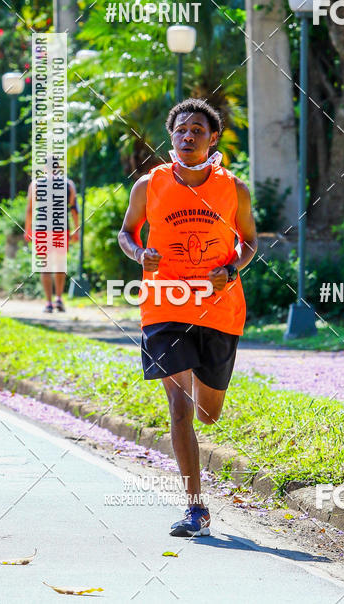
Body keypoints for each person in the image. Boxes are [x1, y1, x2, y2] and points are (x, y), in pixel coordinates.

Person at [118, 98, 257, 538]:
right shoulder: (149, 185)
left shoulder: (233, 188)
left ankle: (201, 385)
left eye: (197, 130)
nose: (188, 136)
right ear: (171, 137)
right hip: (163, 305)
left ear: (212, 139)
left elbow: (250, 242)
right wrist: (141, 253)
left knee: (208, 414)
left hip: (219, 308)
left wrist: (232, 268)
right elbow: (126, 233)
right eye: (181, 130)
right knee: (178, 405)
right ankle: (196, 507)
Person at [24, 160, 80, 313]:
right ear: (59, 167)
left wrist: (27, 229)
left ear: (44, 167)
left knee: (45, 267)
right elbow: (74, 208)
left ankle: (48, 303)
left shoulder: (35, 184)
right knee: (60, 265)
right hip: (61, 229)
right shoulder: (69, 184)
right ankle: (59, 299)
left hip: (42, 228)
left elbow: (30, 209)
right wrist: (77, 230)